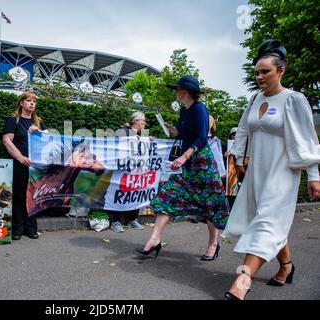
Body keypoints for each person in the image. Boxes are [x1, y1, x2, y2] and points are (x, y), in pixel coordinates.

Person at [223, 40, 320, 300]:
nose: (259, 77)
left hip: (284, 172)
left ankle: (243, 279)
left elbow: (307, 140)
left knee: (266, 221)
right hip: (257, 171)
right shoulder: (254, 98)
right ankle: (286, 267)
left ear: (281, 71)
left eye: (265, 71)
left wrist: (314, 176)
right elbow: (243, 129)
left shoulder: (293, 99)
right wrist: (239, 161)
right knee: (269, 221)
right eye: (256, 72)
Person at [136, 75, 229, 260]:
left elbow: (202, 138)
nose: (175, 92)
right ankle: (155, 239)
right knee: (168, 193)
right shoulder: (183, 111)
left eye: (177, 89)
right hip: (186, 163)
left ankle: (213, 244)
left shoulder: (199, 109)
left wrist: (184, 156)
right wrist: (175, 131)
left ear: (184, 91)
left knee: (209, 204)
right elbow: (186, 134)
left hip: (202, 163)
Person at [2, 92, 47, 240]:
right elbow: (7, 141)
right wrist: (20, 157)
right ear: (21, 103)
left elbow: (48, 140)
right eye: (28, 100)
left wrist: (38, 131)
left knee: (34, 196)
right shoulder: (13, 120)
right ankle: (17, 229)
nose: (32, 103)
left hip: (35, 166)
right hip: (18, 165)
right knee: (19, 196)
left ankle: (31, 228)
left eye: (34, 101)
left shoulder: (39, 121)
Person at [110, 111, 147, 232]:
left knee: (136, 193)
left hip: (138, 169)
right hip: (124, 169)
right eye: (143, 121)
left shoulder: (143, 135)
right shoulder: (123, 132)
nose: (145, 123)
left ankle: (133, 220)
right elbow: (117, 146)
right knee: (122, 193)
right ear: (136, 121)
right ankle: (116, 221)